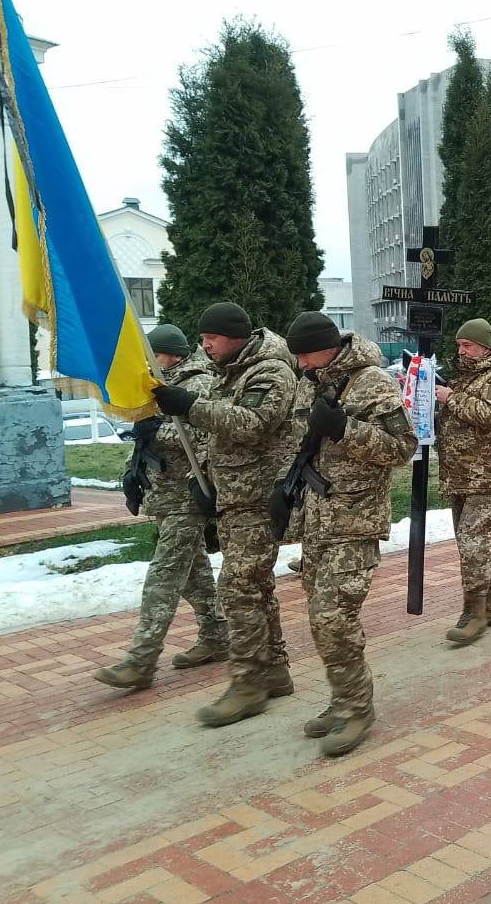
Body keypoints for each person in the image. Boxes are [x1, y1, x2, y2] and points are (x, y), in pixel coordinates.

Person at [152, 302, 298, 727]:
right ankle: (273, 670)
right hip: (234, 498)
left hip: (256, 499)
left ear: (235, 335)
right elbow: (220, 438)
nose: (204, 345)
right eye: (202, 338)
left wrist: (189, 405)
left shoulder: (270, 371)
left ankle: (248, 683)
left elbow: (252, 423)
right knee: (255, 588)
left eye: (210, 337)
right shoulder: (230, 372)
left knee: (237, 589)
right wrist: (208, 485)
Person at [282, 312, 417, 756]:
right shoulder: (312, 378)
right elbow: (301, 442)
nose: (300, 363)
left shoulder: (372, 382)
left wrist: (345, 429)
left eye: (305, 353)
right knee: (320, 618)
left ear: (327, 346)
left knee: (333, 616)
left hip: (355, 518)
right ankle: (342, 698)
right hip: (318, 517)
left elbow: (402, 447)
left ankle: (358, 708)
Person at [94, 325, 228, 691]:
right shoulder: (158, 384)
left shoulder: (196, 382)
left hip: (188, 496)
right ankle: (217, 635)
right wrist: (133, 473)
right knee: (193, 574)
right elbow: (148, 437)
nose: (148, 360)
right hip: (164, 496)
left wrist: (155, 431)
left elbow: (201, 435)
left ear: (173, 354)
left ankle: (141, 660)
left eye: (155, 354)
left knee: (164, 576)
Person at [435, 319, 491, 643]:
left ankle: (475, 612)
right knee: (474, 539)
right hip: (461, 474)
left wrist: (450, 398)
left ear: (485, 346)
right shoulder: (467, 376)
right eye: (459, 345)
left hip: (487, 473)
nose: (461, 350)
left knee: (471, 535)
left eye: (467, 345)